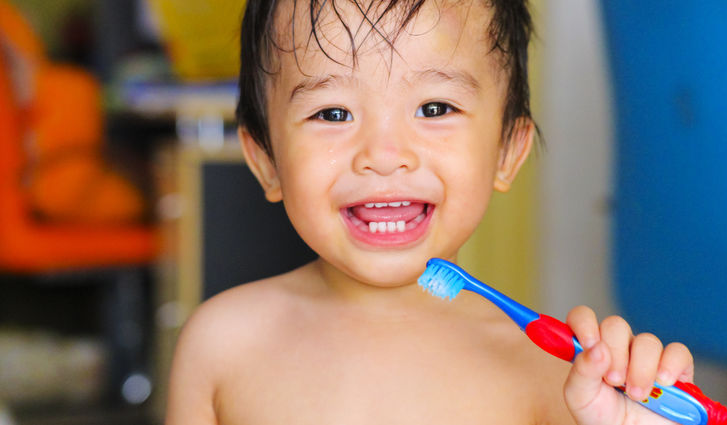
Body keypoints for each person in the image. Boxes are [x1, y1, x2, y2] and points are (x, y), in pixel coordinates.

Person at [165, 1, 695, 424]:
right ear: (266, 162)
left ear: (509, 151)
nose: (384, 153)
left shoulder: (555, 372)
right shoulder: (221, 345)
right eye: (332, 112)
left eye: (434, 108)